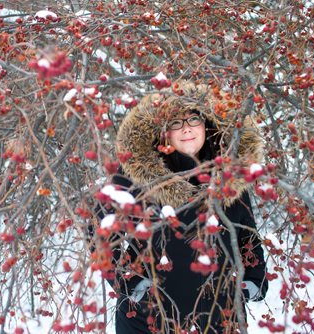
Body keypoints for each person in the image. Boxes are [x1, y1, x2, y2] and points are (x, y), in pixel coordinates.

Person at [90, 81, 268, 333]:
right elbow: (99, 228)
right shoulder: (139, 175)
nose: (186, 129)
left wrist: (253, 278)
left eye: (193, 120)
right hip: (149, 317)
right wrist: (130, 281)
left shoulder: (229, 174)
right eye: (176, 123)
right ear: (165, 133)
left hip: (218, 315)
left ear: (207, 124)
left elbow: (246, 233)